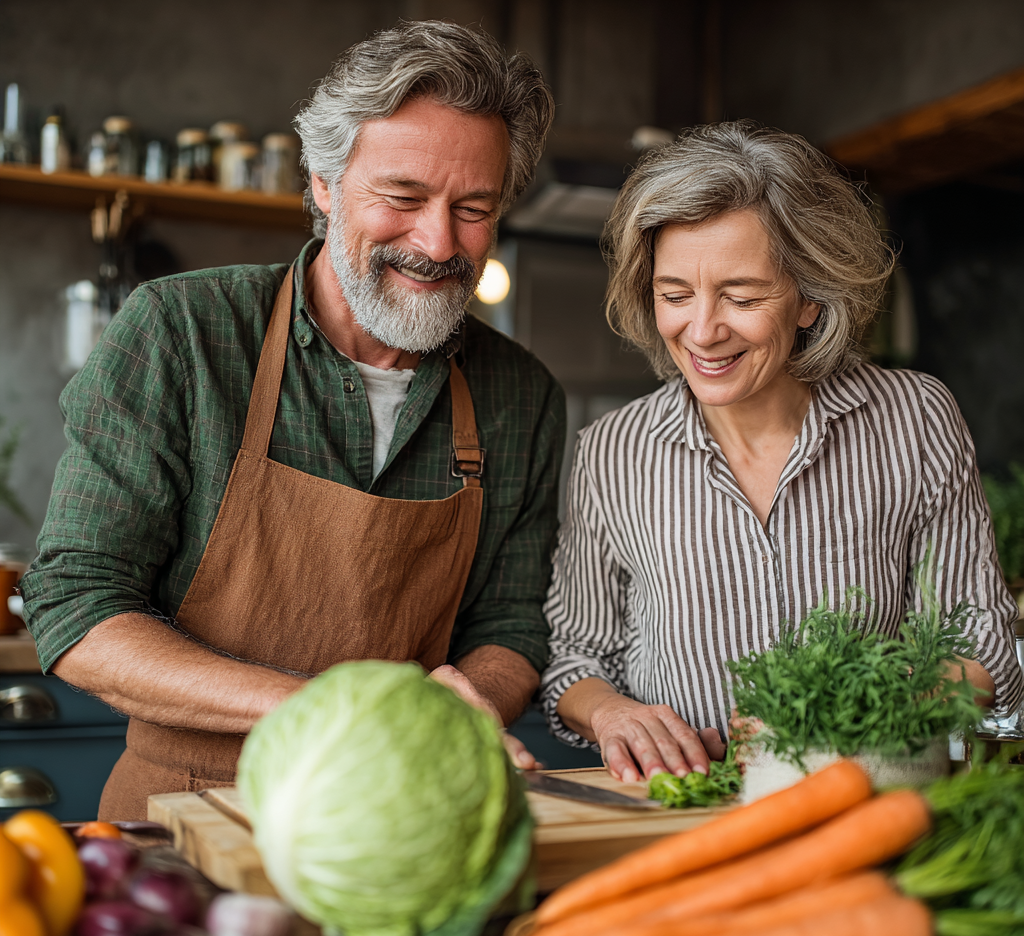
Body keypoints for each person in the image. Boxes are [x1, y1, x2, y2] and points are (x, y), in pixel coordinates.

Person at [21, 21, 564, 819]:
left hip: (400, 815)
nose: (439, 240)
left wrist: (473, 697)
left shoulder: (520, 393)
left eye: (473, 208)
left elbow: (511, 625)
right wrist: (334, 711)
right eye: (403, 197)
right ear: (322, 183)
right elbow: (78, 609)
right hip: (182, 815)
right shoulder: (182, 333)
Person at [540, 121, 1023, 783]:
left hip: (866, 801)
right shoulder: (612, 453)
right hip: (683, 812)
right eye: (674, 295)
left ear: (808, 297)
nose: (703, 331)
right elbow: (575, 660)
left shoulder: (913, 418)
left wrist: (837, 720)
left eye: (741, 296)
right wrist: (611, 714)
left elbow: (981, 651)